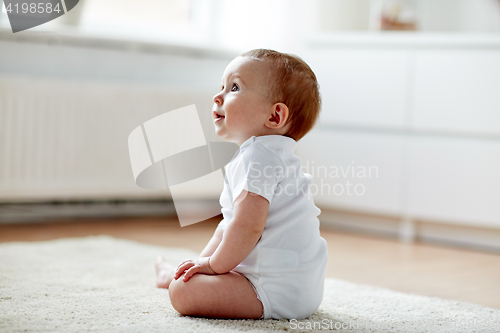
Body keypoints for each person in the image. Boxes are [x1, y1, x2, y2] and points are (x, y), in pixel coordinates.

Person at [155, 49, 327, 320]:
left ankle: (180, 279)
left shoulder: (258, 157)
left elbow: (247, 227)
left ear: (274, 117)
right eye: (221, 86)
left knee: (181, 292)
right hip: (301, 287)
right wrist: (200, 265)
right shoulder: (271, 154)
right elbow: (230, 227)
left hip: (272, 288)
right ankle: (182, 273)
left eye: (234, 87)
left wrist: (212, 266)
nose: (218, 96)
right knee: (191, 276)